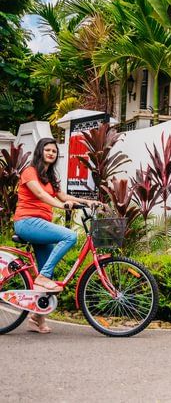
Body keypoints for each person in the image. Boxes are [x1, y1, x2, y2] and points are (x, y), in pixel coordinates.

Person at [13, 138, 99, 334]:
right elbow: (41, 195)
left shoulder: (49, 176)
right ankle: (41, 277)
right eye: (47, 150)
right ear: (40, 152)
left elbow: (64, 196)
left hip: (40, 225)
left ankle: (36, 319)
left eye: (54, 151)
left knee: (48, 271)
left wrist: (87, 202)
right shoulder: (30, 171)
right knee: (70, 236)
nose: (51, 153)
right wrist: (61, 206)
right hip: (27, 222)